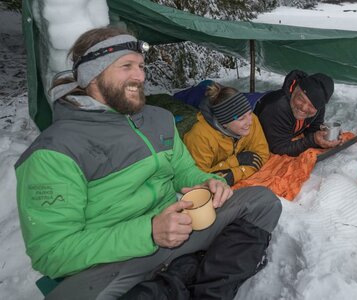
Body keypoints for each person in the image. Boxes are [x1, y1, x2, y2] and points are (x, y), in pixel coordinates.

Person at [15, 27, 281, 300]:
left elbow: (184, 170)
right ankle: (183, 273)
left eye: (141, 66)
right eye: (126, 66)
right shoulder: (54, 151)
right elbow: (52, 253)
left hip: (180, 229)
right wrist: (149, 232)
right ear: (91, 75)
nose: (140, 76)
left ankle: (204, 287)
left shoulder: (158, 119)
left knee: (262, 202)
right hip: (115, 261)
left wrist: (204, 181)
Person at [183, 82, 270, 186]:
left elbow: (262, 155)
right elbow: (198, 178)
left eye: (250, 113)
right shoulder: (199, 136)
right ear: (224, 123)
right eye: (241, 118)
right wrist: (236, 161)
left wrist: (234, 174)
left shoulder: (252, 120)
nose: (250, 122)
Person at [254, 69, 340, 157]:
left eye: (311, 105)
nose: (304, 108)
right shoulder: (278, 107)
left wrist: (324, 138)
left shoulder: (318, 108)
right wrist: (313, 140)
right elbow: (278, 148)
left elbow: (313, 128)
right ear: (295, 89)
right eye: (300, 99)